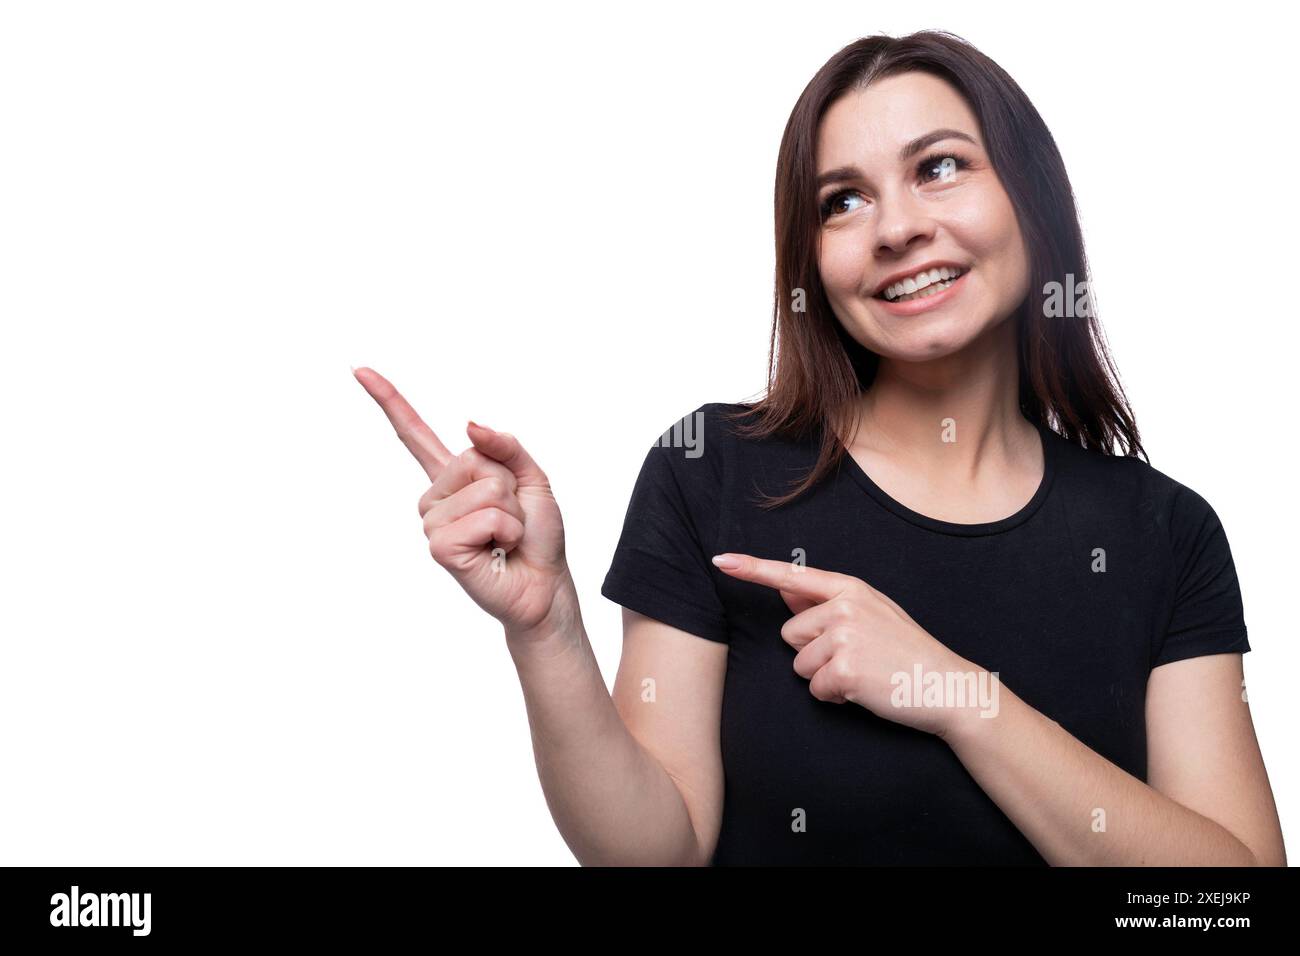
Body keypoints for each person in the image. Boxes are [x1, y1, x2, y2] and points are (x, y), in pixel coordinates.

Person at [354, 30, 1286, 866]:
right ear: (812, 259)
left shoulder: (1164, 531)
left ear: (1032, 199)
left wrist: (955, 694)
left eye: (941, 167)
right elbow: (656, 855)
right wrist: (546, 628)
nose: (896, 228)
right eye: (843, 201)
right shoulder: (712, 470)